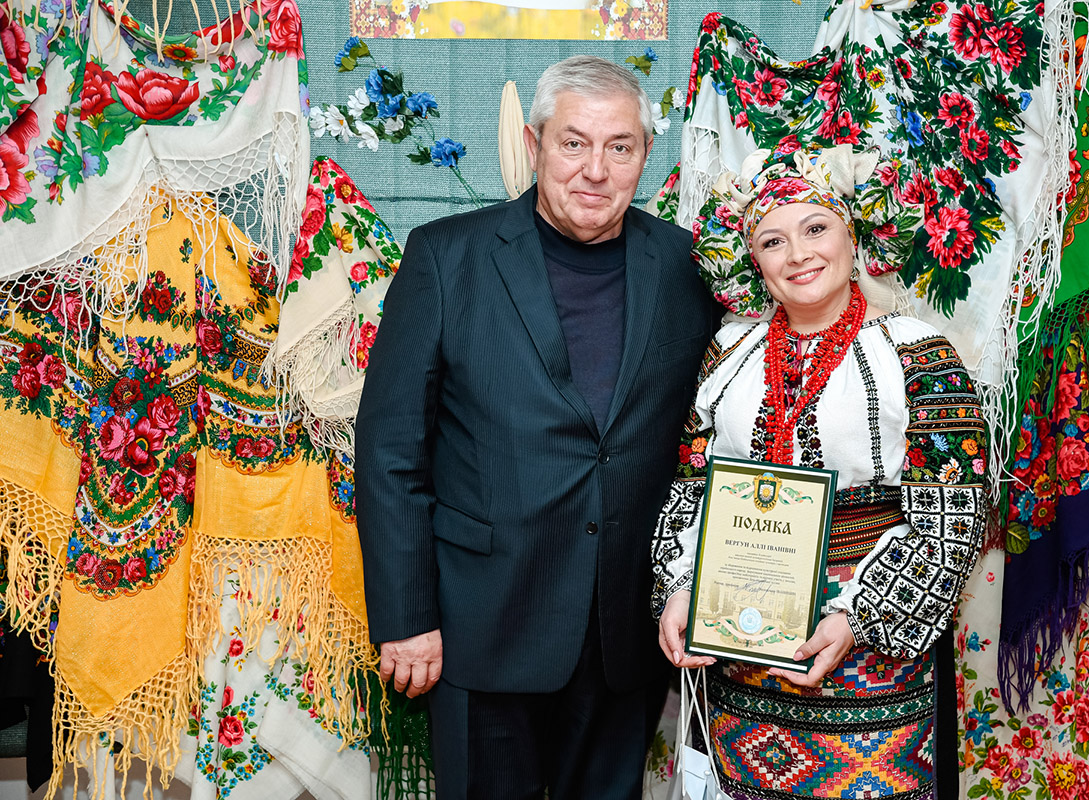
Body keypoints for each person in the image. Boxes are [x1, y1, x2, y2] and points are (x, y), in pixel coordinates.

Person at [355, 55, 715, 799]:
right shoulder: (446, 256)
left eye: (620, 147)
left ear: (647, 155)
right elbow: (390, 449)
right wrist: (405, 616)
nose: (596, 170)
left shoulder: (688, 266)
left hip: (625, 636)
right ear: (534, 143)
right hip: (481, 627)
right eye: (574, 143)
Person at [651, 145, 987, 798]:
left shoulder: (918, 353)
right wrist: (682, 588)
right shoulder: (728, 351)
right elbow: (692, 486)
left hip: (867, 661)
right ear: (752, 259)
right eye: (772, 240)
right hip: (741, 649)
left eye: (815, 228)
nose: (798, 254)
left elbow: (954, 518)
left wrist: (857, 619)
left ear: (852, 235)